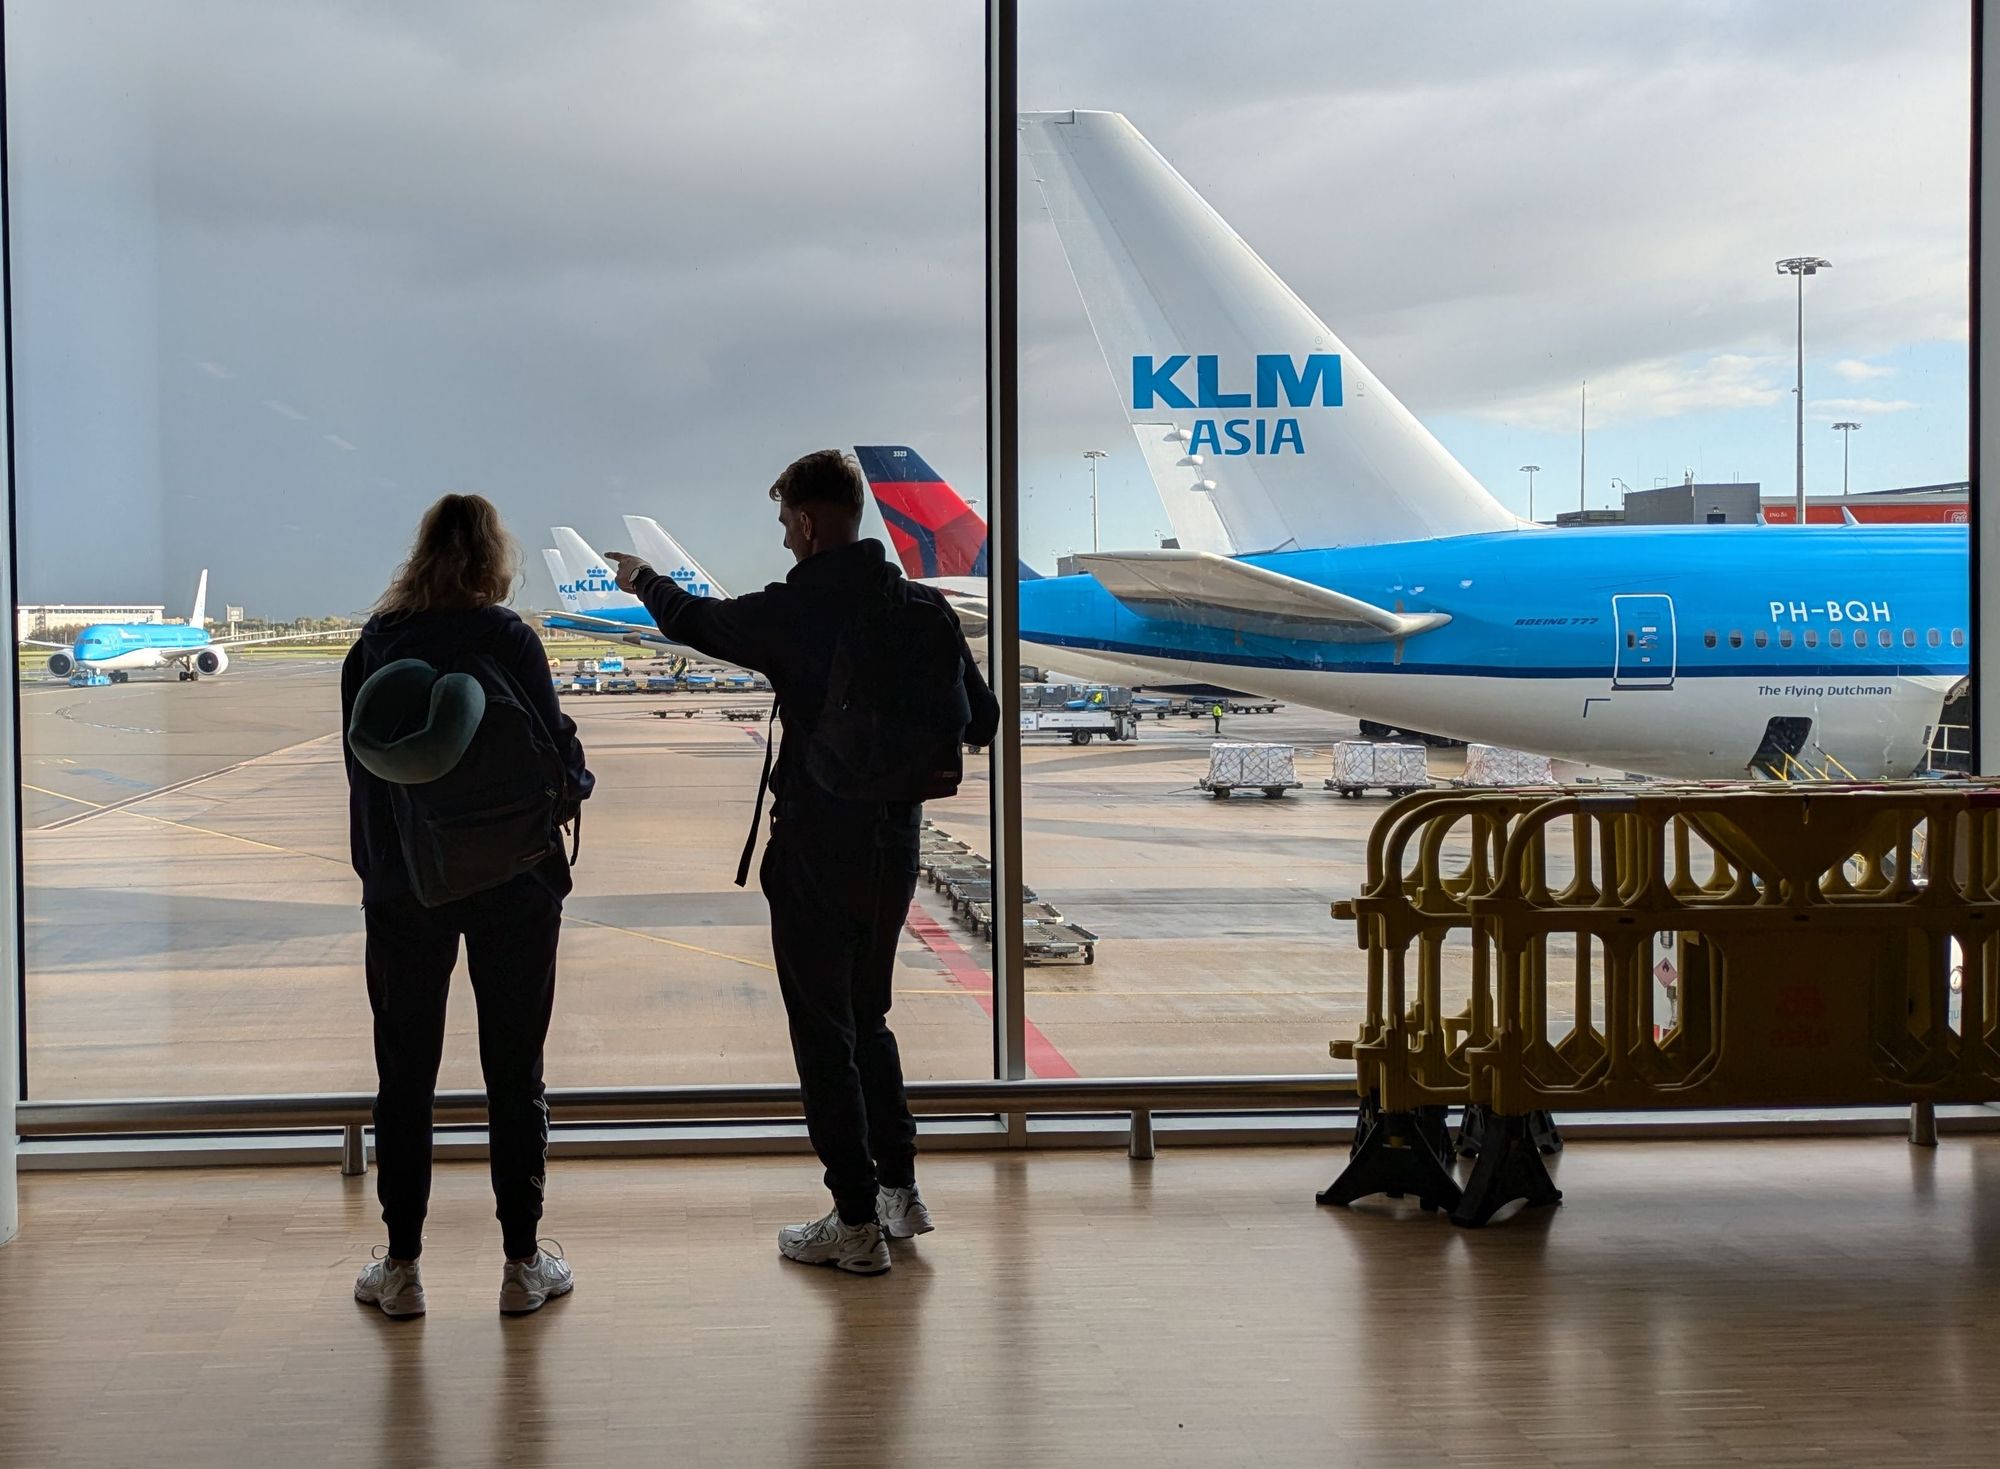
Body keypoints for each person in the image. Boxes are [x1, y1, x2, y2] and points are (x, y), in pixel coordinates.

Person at [607, 450, 998, 1276]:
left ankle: (852, 1222)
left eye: (787, 524)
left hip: (820, 842)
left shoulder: (799, 608)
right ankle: (900, 1191)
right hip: (897, 840)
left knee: (823, 1030)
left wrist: (643, 578)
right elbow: (984, 720)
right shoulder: (923, 607)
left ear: (811, 522)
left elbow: (697, 623)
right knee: (871, 1017)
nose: (785, 540)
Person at [342, 493, 593, 1318]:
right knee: (513, 1072)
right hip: (515, 883)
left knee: (404, 1076)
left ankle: (404, 1267)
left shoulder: (373, 646)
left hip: (406, 888)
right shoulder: (508, 639)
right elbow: (554, 761)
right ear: (494, 557)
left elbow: (365, 781)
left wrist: (383, 876)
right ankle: (522, 1264)